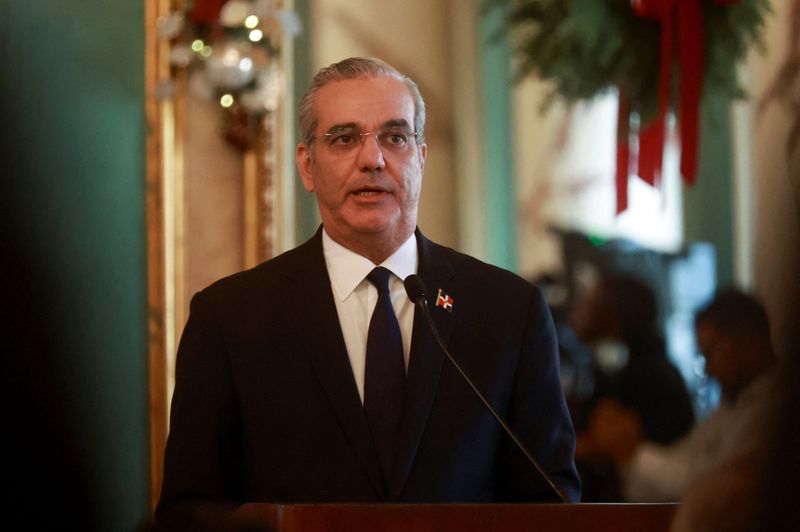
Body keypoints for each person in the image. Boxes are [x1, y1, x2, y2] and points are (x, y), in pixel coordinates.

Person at [155, 57, 580, 530]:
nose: (373, 159)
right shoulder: (230, 318)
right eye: (343, 138)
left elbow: (550, 499)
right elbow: (188, 511)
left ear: (420, 158)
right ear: (307, 165)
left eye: (395, 137)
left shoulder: (507, 311)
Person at [584, 288, 776, 502]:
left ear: (749, 343)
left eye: (711, 353)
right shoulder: (734, 403)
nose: (709, 370)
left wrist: (630, 451)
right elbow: (688, 457)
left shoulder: (775, 410)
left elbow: (708, 488)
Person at [568, 274, 695, 501]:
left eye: (589, 303)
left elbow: (612, 443)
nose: (577, 311)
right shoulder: (633, 363)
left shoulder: (647, 373)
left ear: (613, 313)